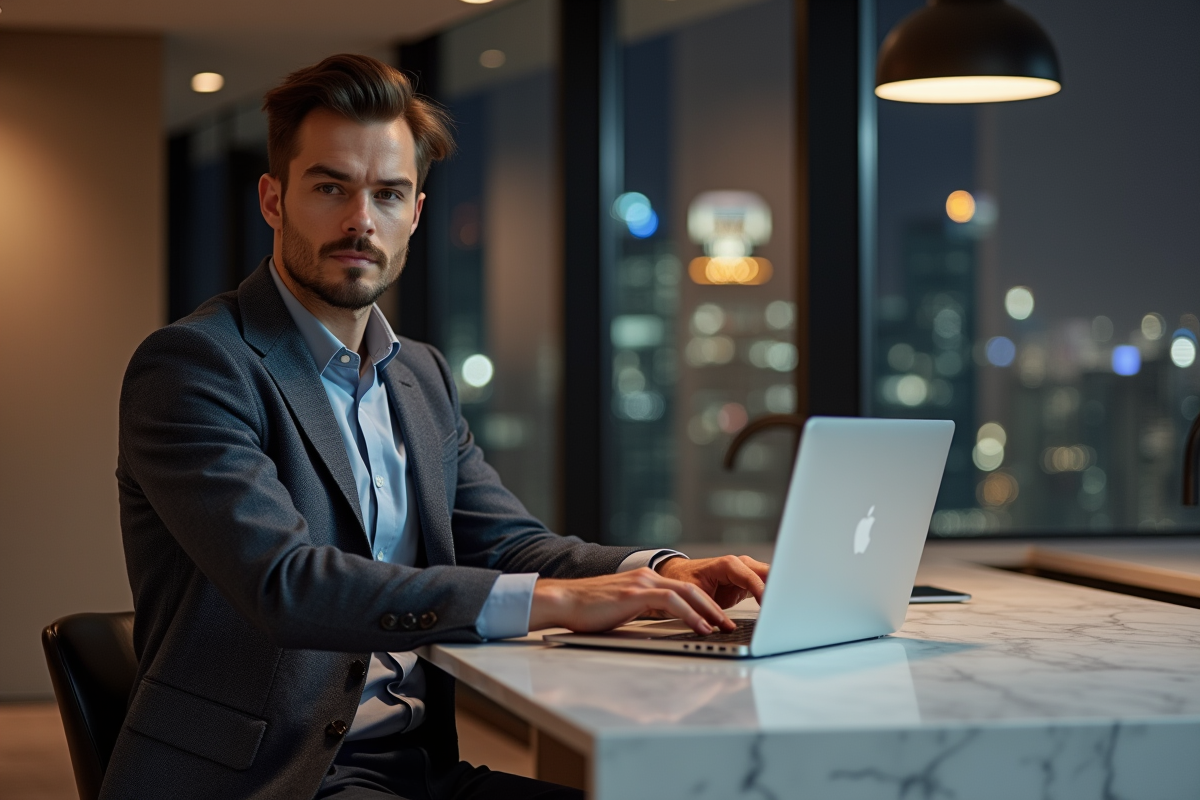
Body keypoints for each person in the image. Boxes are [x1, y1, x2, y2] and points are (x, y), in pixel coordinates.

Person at [106, 53, 770, 800]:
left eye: (388, 194)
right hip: (268, 780)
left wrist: (659, 573)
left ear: (416, 213)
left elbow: (511, 545)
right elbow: (284, 585)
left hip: (415, 772)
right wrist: (556, 602)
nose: (361, 220)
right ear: (273, 200)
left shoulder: (419, 375)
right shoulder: (196, 366)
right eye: (330, 188)